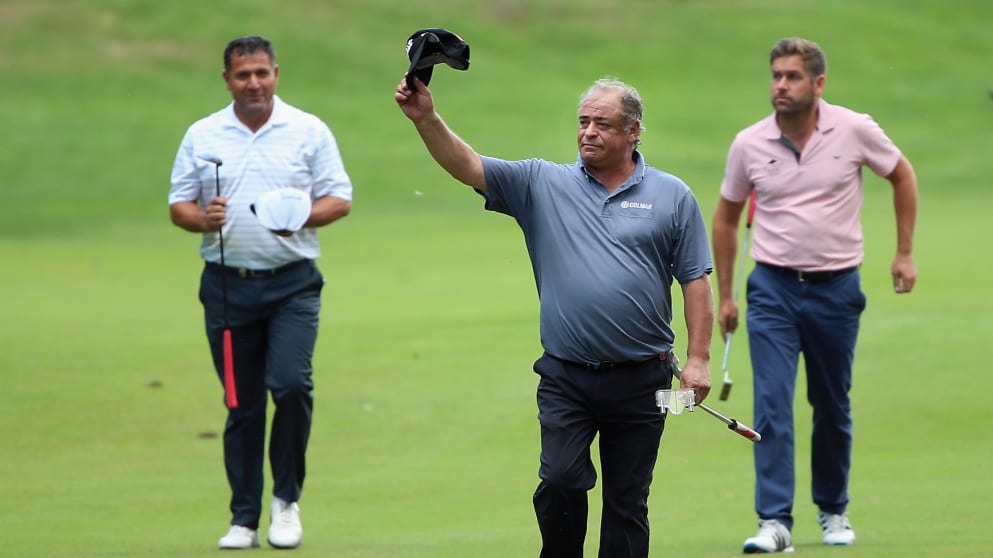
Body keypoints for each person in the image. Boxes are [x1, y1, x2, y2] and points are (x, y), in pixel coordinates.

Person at [396, 75, 714, 558]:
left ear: (633, 131)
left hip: (645, 378)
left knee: (628, 502)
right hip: (567, 375)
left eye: (602, 123)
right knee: (562, 480)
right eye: (583, 121)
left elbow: (695, 281)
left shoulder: (672, 196)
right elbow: (467, 165)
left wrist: (699, 360)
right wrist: (427, 119)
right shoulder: (542, 183)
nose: (588, 131)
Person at [711, 37, 918, 553]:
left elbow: (902, 175)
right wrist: (729, 295)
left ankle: (832, 509)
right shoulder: (749, 143)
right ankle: (775, 521)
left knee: (831, 404)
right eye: (776, 75)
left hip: (837, 289)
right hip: (773, 290)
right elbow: (727, 218)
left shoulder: (854, 130)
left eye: (793, 76)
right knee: (771, 405)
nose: (781, 85)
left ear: (818, 83)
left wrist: (905, 252)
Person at [168, 35, 353, 550]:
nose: (254, 82)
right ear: (227, 79)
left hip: (294, 284)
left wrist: (298, 217)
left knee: (291, 385)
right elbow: (179, 206)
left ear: (276, 73)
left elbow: (339, 198)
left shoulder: (307, 130)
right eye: (243, 75)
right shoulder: (203, 135)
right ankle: (245, 518)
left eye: (262, 73)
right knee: (241, 405)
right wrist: (203, 219)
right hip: (227, 288)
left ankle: (286, 502)